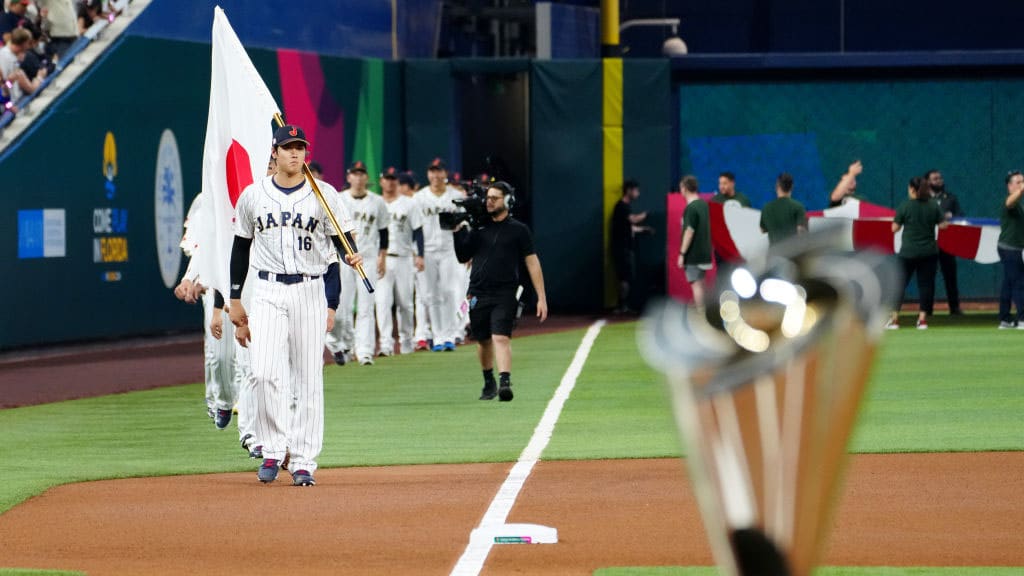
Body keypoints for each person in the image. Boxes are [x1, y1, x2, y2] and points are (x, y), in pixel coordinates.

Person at [228, 124, 361, 486]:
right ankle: (273, 449)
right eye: (288, 147)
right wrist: (235, 297)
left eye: (300, 147)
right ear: (274, 152)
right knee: (262, 373)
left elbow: (342, 239)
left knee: (308, 378)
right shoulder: (253, 195)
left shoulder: (325, 194)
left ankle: (303, 460)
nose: (295, 153)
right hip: (268, 290)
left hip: (309, 289)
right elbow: (240, 248)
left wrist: (350, 253)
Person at [454, 181, 547, 401]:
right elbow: (462, 256)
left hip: (505, 292)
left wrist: (541, 296)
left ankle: (505, 381)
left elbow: (532, 262)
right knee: (483, 340)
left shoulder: (519, 230)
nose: (489, 202)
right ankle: (489, 381)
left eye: (494, 198)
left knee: (500, 336)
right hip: (477, 292)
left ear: (507, 200)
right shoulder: (479, 228)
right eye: (488, 198)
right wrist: (457, 232)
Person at [325, 160, 389, 366]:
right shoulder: (339, 198)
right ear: (349, 176)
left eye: (362, 174)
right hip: (345, 259)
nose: (359, 177)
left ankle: (365, 351)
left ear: (366, 177)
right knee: (342, 307)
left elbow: (384, 232)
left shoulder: (377, 201)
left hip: (367, 258)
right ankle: (344, 346)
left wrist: (382, 257)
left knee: (366, 307)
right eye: (355, 173)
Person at [414, 158, 463, 352]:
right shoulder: (419, 197)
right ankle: (438, 337)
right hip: (427, 251)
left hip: (448, 250)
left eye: (439, 171)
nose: (435, 175)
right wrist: (417, 254)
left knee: (449, 291)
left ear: (445, 173)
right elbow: (415, 228)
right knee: (431, 294)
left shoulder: (456, 196)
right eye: (432, 171)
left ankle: (449, 335)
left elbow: (464, 225)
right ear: (428, 174)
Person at [376, 166, 424, 356]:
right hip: (381, 259)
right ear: (381, 181)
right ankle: (386, 345)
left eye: (393, 179)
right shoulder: (376, 202)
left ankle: (406, 341)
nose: (390, 182)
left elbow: (418, 230)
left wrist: (420, 255)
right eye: (387, 178)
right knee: (382, 303)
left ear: (398, 181)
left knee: (405, 304)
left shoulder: (409, 203)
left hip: (403, 258)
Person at [888, 176, 946, 330]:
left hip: (908, 252)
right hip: (929, 252)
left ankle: (894, 320)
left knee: (899, 285)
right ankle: (922, 320)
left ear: (912, 189)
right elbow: (943, 226)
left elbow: (894, 228)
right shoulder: (933, 206)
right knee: (926, 286)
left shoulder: (905, 206)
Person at [610, 178, 651, 314]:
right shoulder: (621, 206)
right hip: (621, 248)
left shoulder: (626, 207)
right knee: (624, 277)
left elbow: (630, 227)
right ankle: (621, 306)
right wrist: (644, 215)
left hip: (627, 248)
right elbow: (632, 219)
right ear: (629, 191)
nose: (638, 193)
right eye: (636, 190)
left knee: (627, 277)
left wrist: (644, 229)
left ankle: (624, 305)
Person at [926, 170, 964, 315]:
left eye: (940, 178)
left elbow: (960, 215)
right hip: (929, 243)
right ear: (928, 182)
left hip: (947, 243)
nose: (939, 181)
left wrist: (952, 215)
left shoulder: (950, 198)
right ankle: (927, 309)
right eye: (935, 179)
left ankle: (954, 307)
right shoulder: (923, 199)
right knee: (928, 277)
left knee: (950, 276)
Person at [677, 175, 713, 307]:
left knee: (696, 285)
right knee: (702, 284)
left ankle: (701, 314)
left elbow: (689, 231)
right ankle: (705, 312)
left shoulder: (691, 208)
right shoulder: (704, 205)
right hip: (705, 253)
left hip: (694, 254)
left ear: (685, 188)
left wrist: (682, 253)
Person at [997, 170, 1024, 329]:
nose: (1021, 185)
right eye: (1018, 182)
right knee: (1019, 283)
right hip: (1010, 248)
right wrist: (1021, 190)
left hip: (1014, 248)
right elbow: (1009, 203)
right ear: (1010, 186)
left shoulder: (1019, 205)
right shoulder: (1009, 202)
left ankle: (1005, 319)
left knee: (1008, 283)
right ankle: (1022, 319)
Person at [0, 27, 48, 102]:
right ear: (24, 43)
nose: (29, 46)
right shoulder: (13, 62)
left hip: (8, 102)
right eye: (28, 43)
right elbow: (31, 89)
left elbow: (6, 86)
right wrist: (40, 77)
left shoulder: (3, 52)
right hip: (16, 102)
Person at [759, 173, 807, 246]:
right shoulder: (798, 207)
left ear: (777, 187)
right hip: (792, 251)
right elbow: (801, 231)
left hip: (774, 252)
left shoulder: (766, 208)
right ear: (792, 187)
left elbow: (762, 230)